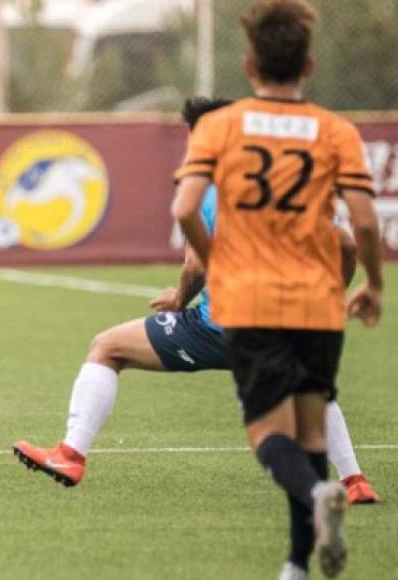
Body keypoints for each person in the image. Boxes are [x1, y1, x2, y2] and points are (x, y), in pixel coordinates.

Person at [11, 96, 379, 510]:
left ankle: (71, 455)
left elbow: (196, 264)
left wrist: (178, 297)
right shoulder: (289, 179)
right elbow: (347, 244)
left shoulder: (204, 184)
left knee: (106, 347)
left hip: (220, 327)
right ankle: (355, 480)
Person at [172, 2, 383, 578]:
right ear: (309, 65)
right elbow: (364, 223)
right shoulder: (335, 131)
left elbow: (186, 208)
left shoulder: (220, 127)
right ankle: (295, 564)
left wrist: (217, 263)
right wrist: (372, 284)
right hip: (318, 305)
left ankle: (319, 500)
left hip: (254, 301)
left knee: (270, 436)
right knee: (311, 436)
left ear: (248, 65)